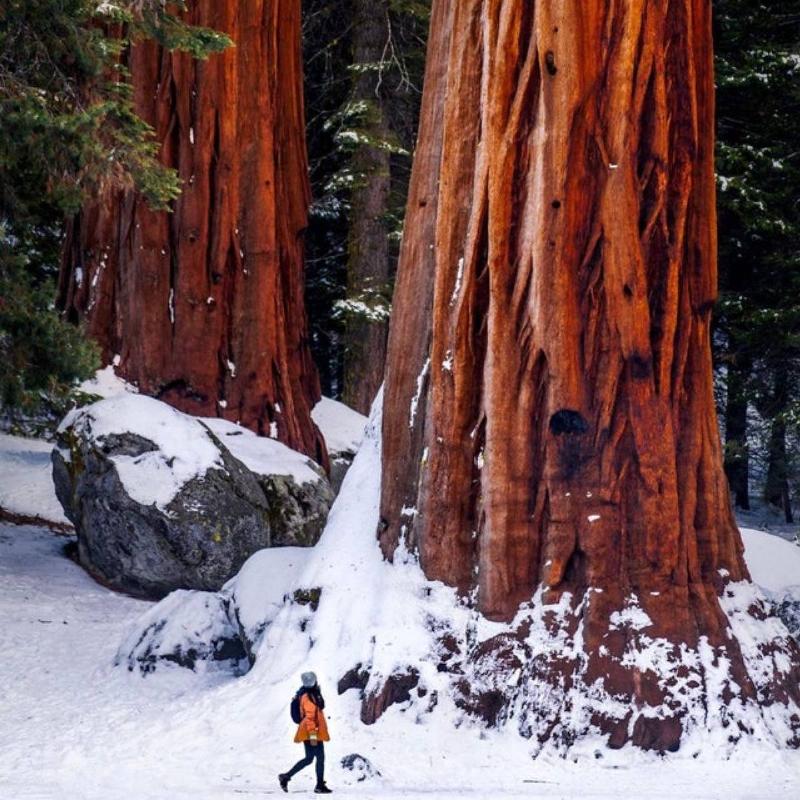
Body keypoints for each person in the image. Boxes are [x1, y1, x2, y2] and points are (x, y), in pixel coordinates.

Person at [279, 671, 332, 794]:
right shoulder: (307, 697)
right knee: (320, 757)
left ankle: (285, 777)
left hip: (311, 731)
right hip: (311, 732)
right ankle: (319, 786)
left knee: (309, 759)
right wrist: (313, 737)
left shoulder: (311, 693)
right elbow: (310, 719)